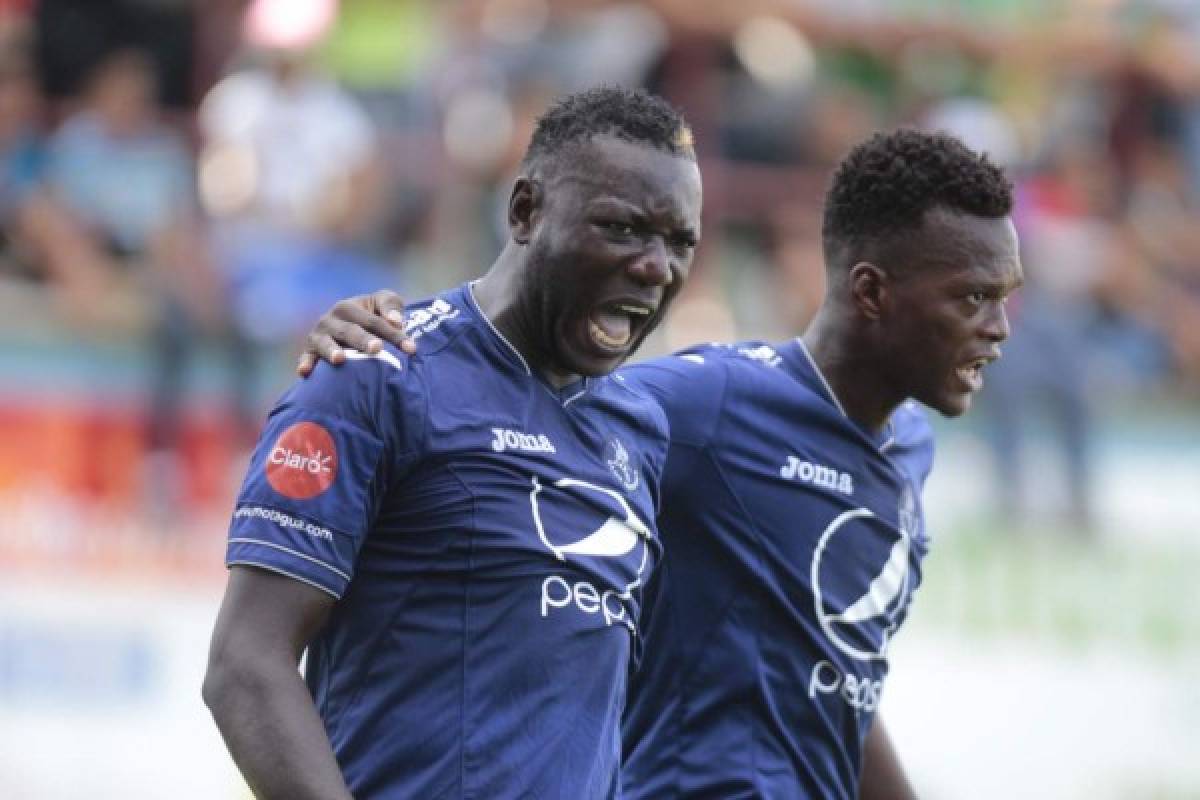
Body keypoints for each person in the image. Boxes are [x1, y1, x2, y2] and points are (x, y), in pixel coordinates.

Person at [304, 128, 1023, 799]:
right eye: (975, 298)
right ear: (871, 291)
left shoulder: (909, 447)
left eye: (1004, 298)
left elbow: (835, 679)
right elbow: (529, 384)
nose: (999, 328)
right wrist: (398, 334)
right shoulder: (714, 404)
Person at [202, 86, 702, 799]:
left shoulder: (641, 428)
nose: (656, 266)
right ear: (526, 210)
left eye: (681, 241)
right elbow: (244, 667)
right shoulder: (377, 374)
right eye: (622, 229)